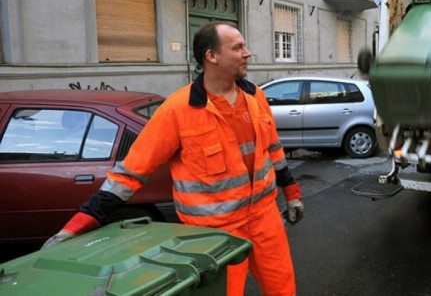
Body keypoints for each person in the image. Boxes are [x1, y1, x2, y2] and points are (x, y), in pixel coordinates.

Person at [43, 21, 303, 296]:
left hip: (265, 218)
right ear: (211, 56)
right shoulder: (177, 110)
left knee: (283, 289)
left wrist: (292, 192)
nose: (247, 53)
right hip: (213, 234)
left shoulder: (255, 97)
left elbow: (273, 149)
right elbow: (131, 172)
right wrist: (78, 225)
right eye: (238, 47)